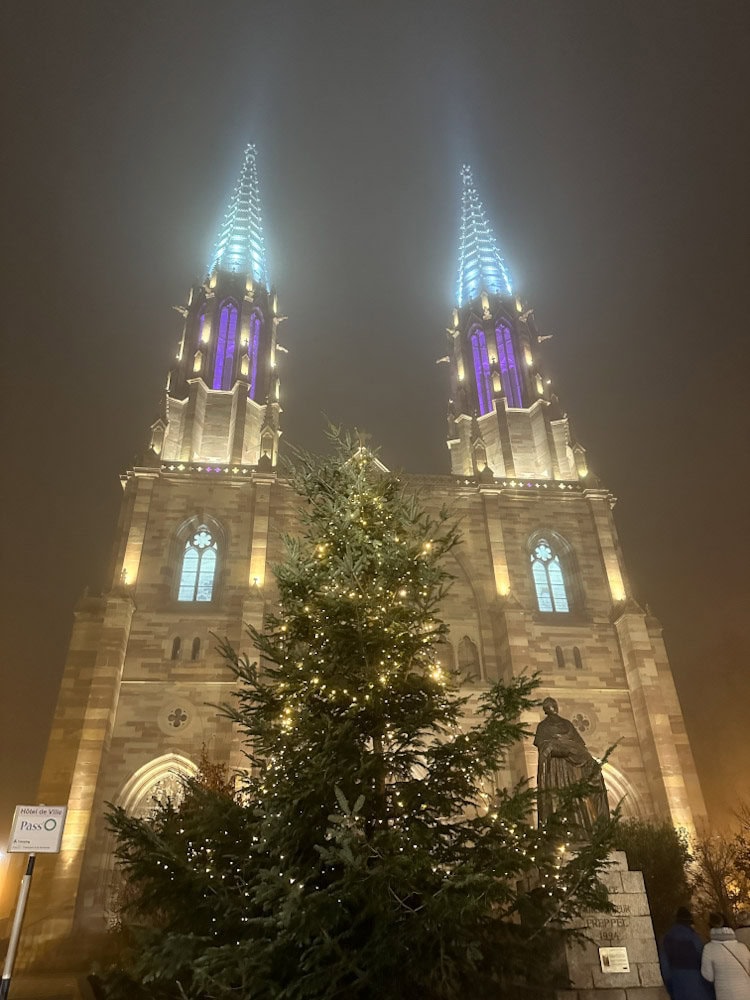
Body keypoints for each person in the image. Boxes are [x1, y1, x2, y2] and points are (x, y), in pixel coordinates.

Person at [533, 696, 609, 836]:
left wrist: (579, 756)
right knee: (558, 797)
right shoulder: (543, 727)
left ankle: (581, 830)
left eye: (553, 705)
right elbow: (542, 746)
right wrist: (556, 749)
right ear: (546, 710)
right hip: (555, 769)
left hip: (572, 767)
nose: (553, 708)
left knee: (578, 798)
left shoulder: (567, 724)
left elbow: (579, 745)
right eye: (549, 706)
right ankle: (561, 831)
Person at [660, 906, 714, 1000]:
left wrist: (670, 985)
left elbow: (665, 966)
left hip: (677, 982)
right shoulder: (695, 937)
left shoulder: (667, 938)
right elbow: (703, 959)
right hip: (698, 982)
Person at [701, 912, 750, 1000]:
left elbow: (708, 976)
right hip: (746, 993)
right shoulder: (742, 947)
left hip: (725, 995)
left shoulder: (709, 948)